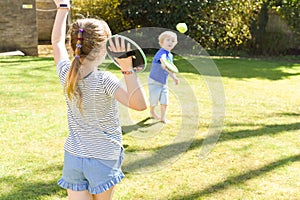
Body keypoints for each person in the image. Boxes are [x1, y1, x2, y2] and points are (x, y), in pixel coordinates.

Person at [51, 1, 147, 199]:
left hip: (74, 157)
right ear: (104, 49)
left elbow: (56, 43)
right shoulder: (105, 81)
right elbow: (140, 105)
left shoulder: (66, 74)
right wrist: (127, 68)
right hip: (104, 158)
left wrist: (62, 8)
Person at [148, 31, 179, 123]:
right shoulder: (161, 53)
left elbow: (170, 68)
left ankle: (163, 117)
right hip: (154, 81)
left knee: (165, 100)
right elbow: (162, 59)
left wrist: (174, 77)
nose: (170, 42)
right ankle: (152, 111)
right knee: (154, 100)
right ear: (161, 42)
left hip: (163, 82)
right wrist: (163, 63)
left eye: (173, 41)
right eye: (168, 40)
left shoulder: (170, 55)